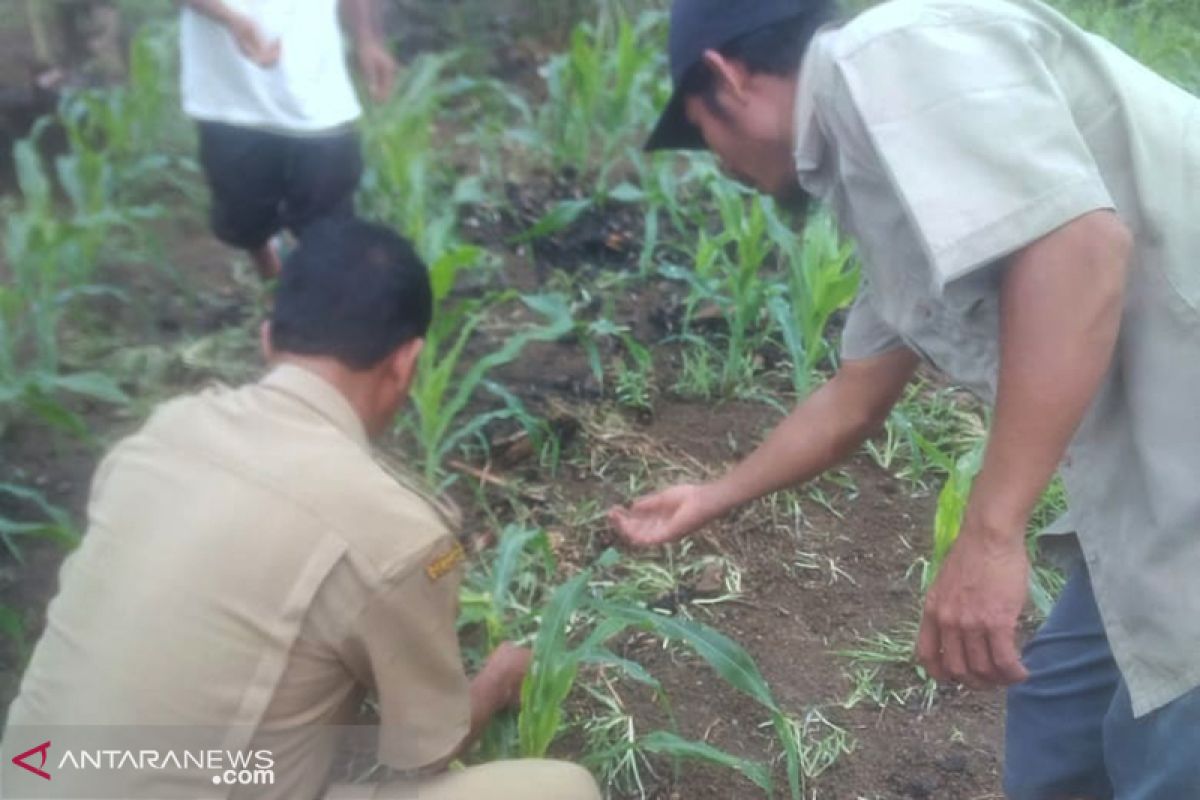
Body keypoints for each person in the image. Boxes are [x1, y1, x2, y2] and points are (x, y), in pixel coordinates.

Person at [610, 0, 1200, 797]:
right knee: (1059, 735)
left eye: (700, 132)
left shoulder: (888, 59)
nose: (719, 166)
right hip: (1152, 491)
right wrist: (711, 498)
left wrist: (989, 535)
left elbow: (1080, 249)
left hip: (1182, 474)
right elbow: (856, 394)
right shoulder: (886, 169)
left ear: (727, 77)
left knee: (1163, 757)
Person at [2, 218, 600, 800]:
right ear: (406, 364)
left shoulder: (161, 435)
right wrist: (497, 681)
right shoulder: (394, 532)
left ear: (268, 339)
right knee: (564, 790)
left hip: (31, 776)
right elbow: (425, 750)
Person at [180, 0, 398, 279]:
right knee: (244, 218)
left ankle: (312, 299)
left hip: (318, 91)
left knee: (328, 221)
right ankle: (271, 273)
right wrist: (230, 19)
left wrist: (368, 38)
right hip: (231, 93)